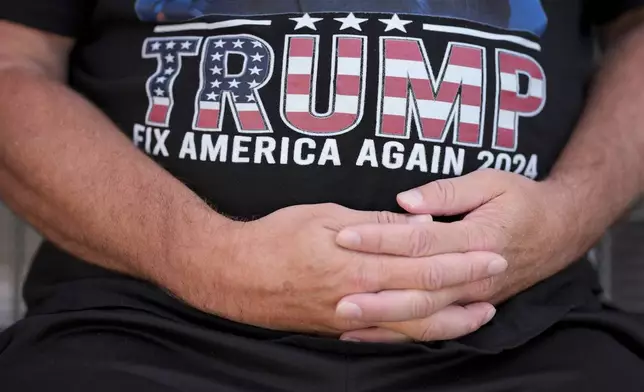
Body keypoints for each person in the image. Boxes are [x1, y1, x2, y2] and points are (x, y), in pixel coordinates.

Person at [0, 0, 643, 390]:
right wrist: (203, 257)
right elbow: (13, 64)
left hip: (528, 340)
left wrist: (568, 215)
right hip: (139, 332)